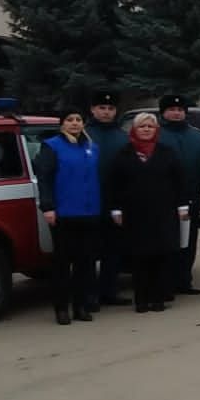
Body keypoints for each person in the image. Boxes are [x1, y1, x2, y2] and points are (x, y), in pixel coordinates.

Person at [107, 112, 188, 312]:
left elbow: (179, 181)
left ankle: (158, 297)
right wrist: (115, 208)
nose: (146, 130)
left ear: (156, 130)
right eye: (142, 126)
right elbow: (114, 184)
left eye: (150, 127)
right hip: (135, 214)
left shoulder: (166, 152)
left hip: (163, 213)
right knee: (140, 258)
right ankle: (141, 299)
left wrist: (182, 206)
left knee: (160, 256)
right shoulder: (123, 153)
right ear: (134, 129)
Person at [34, 106, 102, 324]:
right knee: (63, 263)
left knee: (85, 262)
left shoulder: (91, 147)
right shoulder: (52, 146)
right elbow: (44, 178)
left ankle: (81, 306)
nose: (75, 123)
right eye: (70, 119)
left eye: (78, 119)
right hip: (64, 213)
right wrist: (48, 207)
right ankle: (61, 308)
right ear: (62, 124)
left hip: (89, 212)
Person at [156, 94, 200, 297]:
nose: (176, 113)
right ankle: (166, 282)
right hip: (164, 200)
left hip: (191, 197)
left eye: (180, 110)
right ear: (163, 112)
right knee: (167, 242)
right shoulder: (156, 135)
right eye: (171, 110)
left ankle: (184, 280)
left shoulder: (197, 136)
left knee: (189, 241)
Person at [85, 89, 129, 310]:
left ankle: (109, 290)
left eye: (110, 108)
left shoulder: (123, 137)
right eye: (101, 108)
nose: (106, 112)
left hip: (115, 203)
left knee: (114, 250)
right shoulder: (82, 135)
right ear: (93, 110)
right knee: (90, 252)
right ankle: (90, 294)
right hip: (89, 203)